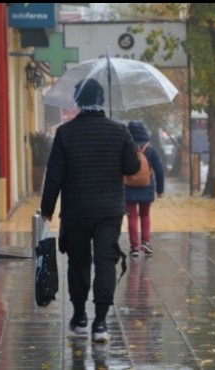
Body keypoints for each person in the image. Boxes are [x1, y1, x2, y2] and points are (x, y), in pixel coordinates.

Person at [40, 78, 141, 342]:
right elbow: (131, 168)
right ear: (102, 100)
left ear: (78, 101)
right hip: (109, 211)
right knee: (105, 262)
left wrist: (47, 208)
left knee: (78, 262)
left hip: (76, 211)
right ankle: (100, 323)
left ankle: (80, 316)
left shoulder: (65, 133)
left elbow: (54, 175)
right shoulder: (120, 131)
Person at [125, 120, 165, 258]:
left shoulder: (126, 148)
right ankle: (146, 242)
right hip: (147, 186)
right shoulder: (150, 149)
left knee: (132, 216)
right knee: (145, 215)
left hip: (128, 186)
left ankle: (134, 246)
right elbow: (159, 170)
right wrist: (160, 189)